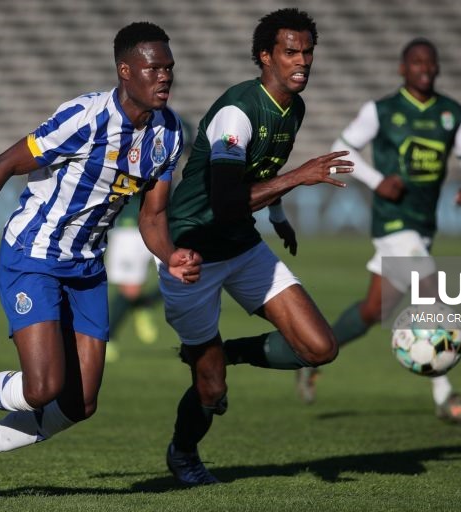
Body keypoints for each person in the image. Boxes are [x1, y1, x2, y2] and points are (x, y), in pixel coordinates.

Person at [0, 22, 195, 502]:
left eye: (169, 67)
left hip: (87, 268)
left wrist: (170, 256)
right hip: (34, 255)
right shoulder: (84, 118)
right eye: (154, 68)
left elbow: (152, 217)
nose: (165, 76)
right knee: (42, 387)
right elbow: (2, 165)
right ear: (125, 71)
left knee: (79, 403)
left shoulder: (168, 134)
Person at [138, 8, 354, 486]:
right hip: (191, 253)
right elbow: (226, 200)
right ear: (265, 56)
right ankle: (184, 453)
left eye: (308, 52)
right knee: (211, 390)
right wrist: (300, 176)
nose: (302, 61)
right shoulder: (237, 112)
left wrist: (278, 218)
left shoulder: (293, 108)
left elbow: (262, 174)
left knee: (319, 348)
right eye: (290, 52)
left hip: (241, 245)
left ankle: (228, 351)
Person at [296, 37, 461, 424]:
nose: (424, 69)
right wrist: (377, 181)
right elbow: (341, 148)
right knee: (430, 289)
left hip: (422, 223)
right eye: (417, 62)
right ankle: (444, 394)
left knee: (373, 310)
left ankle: (311, 355)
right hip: (392, 221)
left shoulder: (453, 114)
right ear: (402, 68)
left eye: (430, 63)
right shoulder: (381, 110)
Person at [103, 193, 162, 363]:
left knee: (178, 278)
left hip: (159, 223)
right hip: (128, 228)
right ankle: (109, 337)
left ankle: (143, 304)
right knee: (130, 290)